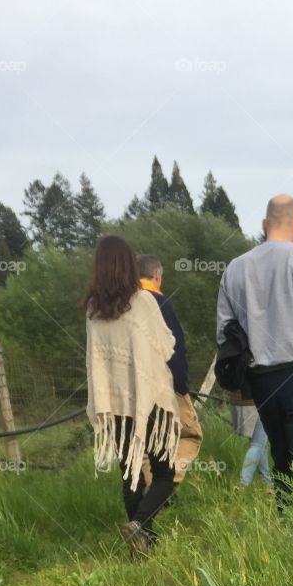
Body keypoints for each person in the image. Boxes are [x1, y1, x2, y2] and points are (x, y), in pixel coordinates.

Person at [216, 194, 293, 501]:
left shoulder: (234, 268)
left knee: (281, 459)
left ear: (264, 224)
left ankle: (286, 529)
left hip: (261, 378)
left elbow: (224, 333)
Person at [84, 235, 179, 557]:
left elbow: (94, 359)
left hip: (115, 404)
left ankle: (143, 542)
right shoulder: (143, 302)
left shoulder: (94, 309)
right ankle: (140, 525)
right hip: (148, 399)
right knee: (165, 474)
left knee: (131, 470)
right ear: (128, 264)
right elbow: (165, 346)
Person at [137, 254, 204, 490]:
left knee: (145, 443)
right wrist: (182, 386)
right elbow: (175, 346)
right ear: (156, 276)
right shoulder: (159, 301)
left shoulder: (125, 303)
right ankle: (164, 484)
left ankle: (151, 489)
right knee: (190, 435)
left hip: (135, 388)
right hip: (166, 384)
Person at [228, 384, 272, 487]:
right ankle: (243, 485)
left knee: (261, 443)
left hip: (236, 401)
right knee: (257, 444)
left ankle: (267, 482)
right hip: (255, 402)